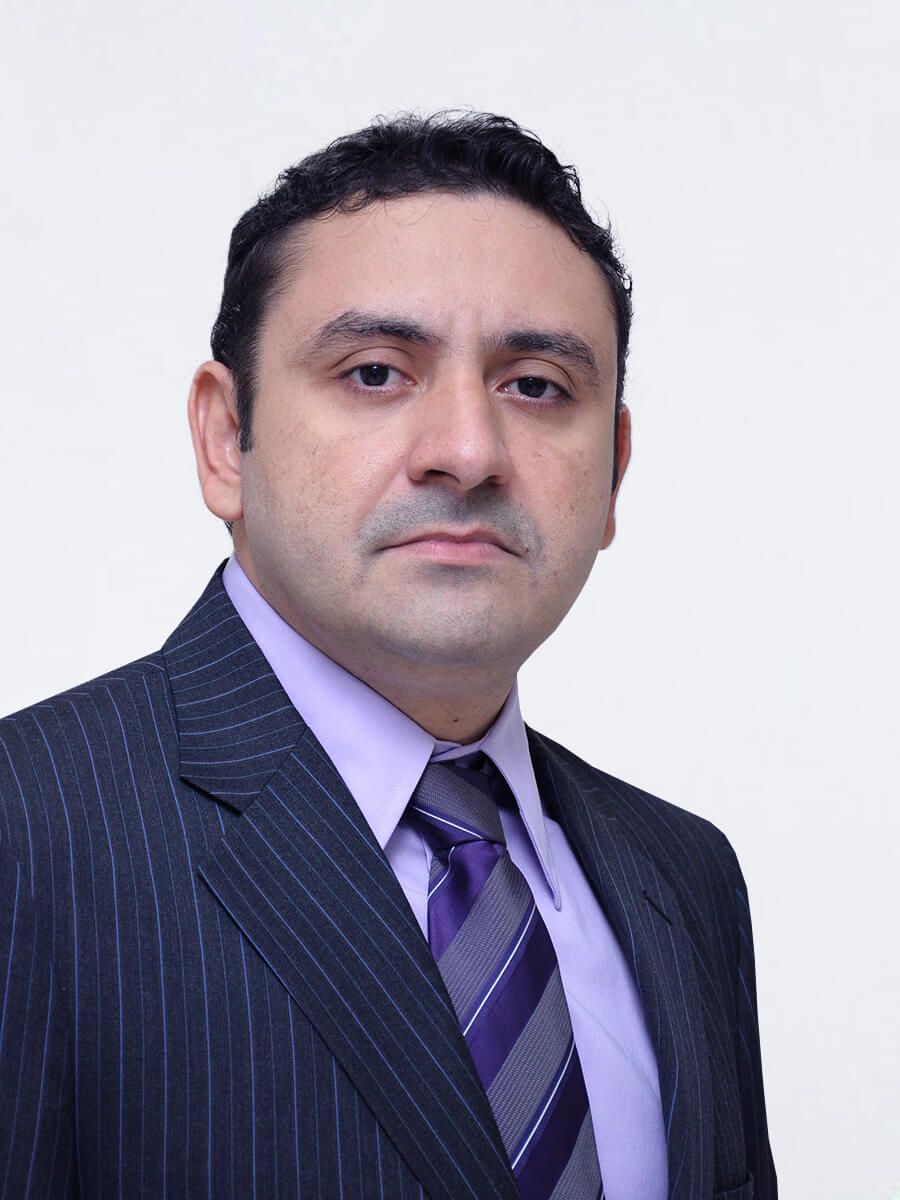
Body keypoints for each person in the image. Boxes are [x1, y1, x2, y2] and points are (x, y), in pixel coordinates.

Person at [0, 112, 775, 1200]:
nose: (468, 451)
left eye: (536, 385)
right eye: (374, 372)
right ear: (225, 439)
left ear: (614, 468)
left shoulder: (685, 877)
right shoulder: (28, 835)